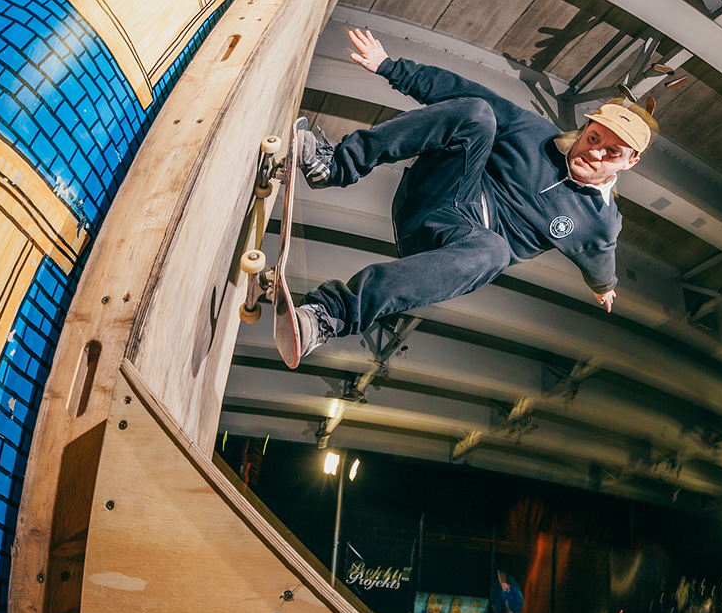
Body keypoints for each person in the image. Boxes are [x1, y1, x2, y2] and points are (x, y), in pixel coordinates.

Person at [275, 28, 655, 365]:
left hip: (452, 247)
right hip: (433, 197)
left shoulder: (600, 221)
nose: (593, 153)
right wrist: (391, 67)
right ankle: (335, 165)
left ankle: (327, 316)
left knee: (496, 252)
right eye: (593, 138)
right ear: (585, 128)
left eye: (611, 152)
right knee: (478, 112)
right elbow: (466, 92)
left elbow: (600, 262)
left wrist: (605, 287)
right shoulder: (533, 132)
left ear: (630, 162)